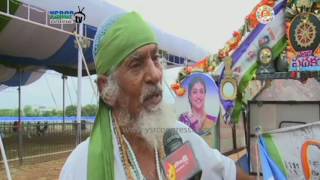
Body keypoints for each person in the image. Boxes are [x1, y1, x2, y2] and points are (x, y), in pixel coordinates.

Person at [60, 11, 253, 180]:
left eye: (155, 58)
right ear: (106, 89)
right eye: (136, 65)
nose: (155, 74)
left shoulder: (177, 136)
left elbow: (228, 173)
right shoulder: (81, 166)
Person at [179, 77, 219, 148]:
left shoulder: (212, 119)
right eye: (194, 92)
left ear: (205, 94)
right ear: (189, 96)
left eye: (201, 91)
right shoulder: (184, 120)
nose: (198, 96)